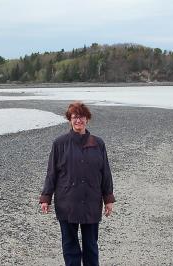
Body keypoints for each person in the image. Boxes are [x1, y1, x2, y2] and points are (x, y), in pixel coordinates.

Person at [39, 101, 115, 266]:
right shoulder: (60, 143)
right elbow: (51, 172)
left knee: (91, 245)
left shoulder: (98, 143)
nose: (78, 121)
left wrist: (108, 199)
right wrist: (46, 197)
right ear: (69, 120)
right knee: (70, 245)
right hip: (67, 202)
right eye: (74, 117)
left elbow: (105, 173)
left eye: (81, 117)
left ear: (87, 119)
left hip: (91, 201)